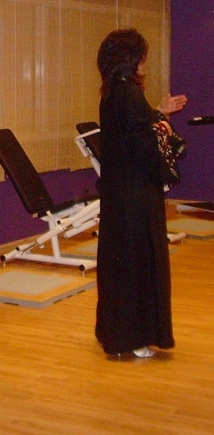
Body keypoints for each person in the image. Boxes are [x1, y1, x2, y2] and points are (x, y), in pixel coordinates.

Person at [95, 28, 186, 358]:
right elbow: (144, 145)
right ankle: (133, 337)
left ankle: (117, 333)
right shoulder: (129, 94)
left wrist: (160, 113)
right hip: (135, 196)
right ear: (132, 59)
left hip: (120, 194)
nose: (144, 62)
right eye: (142, 56)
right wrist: (166, 162)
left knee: (120, 267)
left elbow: (136, 129)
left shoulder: (113, 93)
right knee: (138, 266)